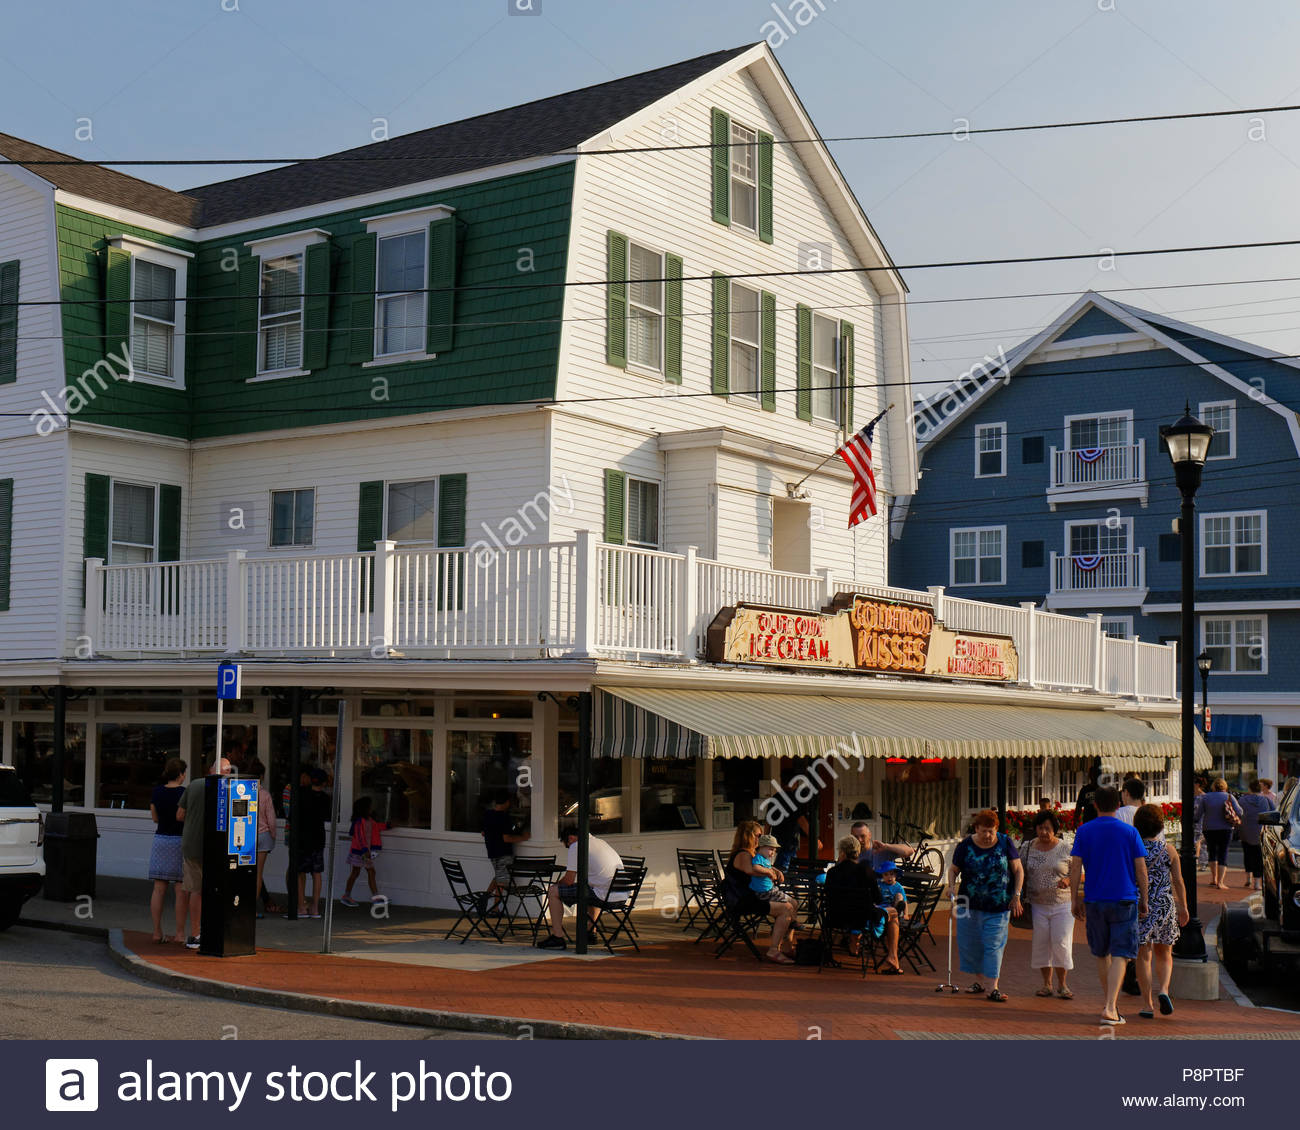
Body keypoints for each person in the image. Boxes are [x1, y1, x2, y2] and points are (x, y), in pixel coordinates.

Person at [1069, 786, 1149, 1026]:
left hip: (1095, 899)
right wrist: (1144, 897)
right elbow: (1141, 868)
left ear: (1095, 805)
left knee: (1102, 953)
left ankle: (1109, 1003)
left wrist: (1074, 897)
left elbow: (1075, 866)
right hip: (1124, 898)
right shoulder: (1130, 832)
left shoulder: (1084, 831)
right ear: (1118, 805)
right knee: (1121, 954)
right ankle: (1110, 1006)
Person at [946, 809, 1024, 1002]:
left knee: (994, 945)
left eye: (991, 831)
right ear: (976, 828)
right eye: (984, 831)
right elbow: (953, 869)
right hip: (967, 903)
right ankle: (981, 982)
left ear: (996, 829)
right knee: (970, 945)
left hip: (998, 905)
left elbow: (1018, 870)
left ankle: (992, 987)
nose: (988, 836)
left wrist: (1017, 895)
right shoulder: (965, 845)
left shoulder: (1005, 843)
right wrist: (951, 886)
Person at [713, 819, 798, 964]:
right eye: (758, 835)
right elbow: (751, 871)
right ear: (749, 836)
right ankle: (774, 950)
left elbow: (760, 866)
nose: (761, 838)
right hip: (743, 901)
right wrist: (770, 872)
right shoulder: (743, 854)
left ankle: (786, 944)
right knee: (786, 909)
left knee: (793, 903)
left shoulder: (751, 854)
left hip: (750, 896)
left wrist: (775, 870)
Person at [1132, 803, 1189, 1019]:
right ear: (1160, 825)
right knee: (1165, 953)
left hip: (1142, 906)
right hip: (1165, 904)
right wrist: (1183, 907)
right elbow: (1178, 880)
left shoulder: (1133, 849)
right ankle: (1164, 990)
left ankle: (1147, 1004)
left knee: (1143, 955)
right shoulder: (1169, 850)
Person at [537, 825, 627, 950]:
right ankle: (591, 931)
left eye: (567, 845)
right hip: (620, 895)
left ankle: (557, 936)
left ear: (571, 838)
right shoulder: (601, 842)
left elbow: (569, 880)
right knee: (590, 886)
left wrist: (556, 884)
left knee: (553, 891)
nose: (569, 848)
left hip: (603, 896)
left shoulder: (577, 846)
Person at [175, 756, 231, 950]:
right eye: (229, 771)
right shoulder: (228, 788)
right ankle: (214, 930)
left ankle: (196, 933)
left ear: (210, 770)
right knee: (216, 890)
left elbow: (180, 815)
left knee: (196, 890)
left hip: (192, 844)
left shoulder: (194, 785)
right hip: (217, 847)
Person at [823, 836, 901, 973]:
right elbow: (878, 899)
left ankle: (854, 945)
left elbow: (828, 896)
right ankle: (893, 957)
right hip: (862, 919)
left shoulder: (832, 873)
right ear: (858, 852)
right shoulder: (866, 871)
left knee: (856, 909)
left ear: (842, 852)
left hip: (835, 918)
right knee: (893, 913)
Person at [1022, 808, 1074, 999]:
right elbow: (1019, 870)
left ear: (1055, 829)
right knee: (1042, 943)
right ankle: (1046, 984)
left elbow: (1078, 872)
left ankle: (1063, 984)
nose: (1044, 832)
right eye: (1040, 828)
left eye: (1047, 828)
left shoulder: (1066, 848)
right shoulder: (1027, 847)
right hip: (1037, 903)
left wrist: (1068, 880)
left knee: (1061, 942)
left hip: (1062, 903)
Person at [148, 758, 188, 944]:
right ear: (180, 774)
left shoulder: (157, 792)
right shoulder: (184, 793)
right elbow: (185, 817)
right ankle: (180, 933)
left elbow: (155, 817)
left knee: (158, 889)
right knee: (180, 889)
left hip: (161, 839)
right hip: (179, 841)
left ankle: (157, 931)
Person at [481, 789, 529, 905]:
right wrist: (523, 838)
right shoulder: (504, 817)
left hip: (492, 850)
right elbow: (506, 838)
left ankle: (484, 898)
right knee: (502, 881)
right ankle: (495, 909)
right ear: (507, 802)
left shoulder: (488, 814)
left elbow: (483, 832)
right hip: (504, 852)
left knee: (499, 876)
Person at [341, 795, 387, 907]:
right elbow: (360, 836)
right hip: (360, 852)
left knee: (362, 872)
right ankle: (374, 898)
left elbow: (377, 827)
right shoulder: (359, 821)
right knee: (363, 872)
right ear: (365, 808)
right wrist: (365, 849)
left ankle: (348, 896)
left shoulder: (369, 820)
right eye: (370, 806)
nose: (372, 808)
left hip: (363, 852)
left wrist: (388, 825)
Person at [1199, 778, 1243, 890]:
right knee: (1223, 853)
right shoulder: (1229, 797)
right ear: (1224, 786)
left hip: (1209, 828)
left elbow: (1198, 814)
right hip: (1226, 828)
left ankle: (1213, 879)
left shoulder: (1206, 797)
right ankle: (1220, 882)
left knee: (1212, 852)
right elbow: (1240, 812)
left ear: (1213, 786)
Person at [1237, 780, 1273, 891]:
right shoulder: (1266, 800)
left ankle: (1248, 878)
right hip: (1260, 831)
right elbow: (1273, 811)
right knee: (1259, 857)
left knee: (1247, 854)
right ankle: (1257, 883)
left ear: (1250, 789)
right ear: (1260, 789)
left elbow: (1238, 811)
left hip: (1245, 831)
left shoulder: (1242, 800)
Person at [749, 833, 796, 905]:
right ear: (761, 847)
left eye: (774, 851)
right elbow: (756, 867)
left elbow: (770, 867)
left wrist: (777, 872)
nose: (773, 853)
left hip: (769, 890)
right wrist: (769, 872)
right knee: (792, 903)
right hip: (763, 892)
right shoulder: (758, 857)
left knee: (793, 902)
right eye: (771, 849)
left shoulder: (765, 859)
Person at [1074, 759, 1102, 827]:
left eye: (1095, 775)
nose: (1093, 777)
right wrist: (1076, 820)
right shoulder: (1085, 790)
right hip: (1088, 821)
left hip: (1100, 822)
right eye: (1091, 774)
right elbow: (1079, 806)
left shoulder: (1103, 790)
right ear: (1089, 776)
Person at [1192, 780, 1208, 871]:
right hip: (1194, 823)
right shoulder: (1193, 796)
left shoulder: (1204, 797)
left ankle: (1200, 862)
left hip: (1201, 823)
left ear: (1198, 784)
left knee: (1199, 842)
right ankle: (1202, 862)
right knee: (1198, 843)